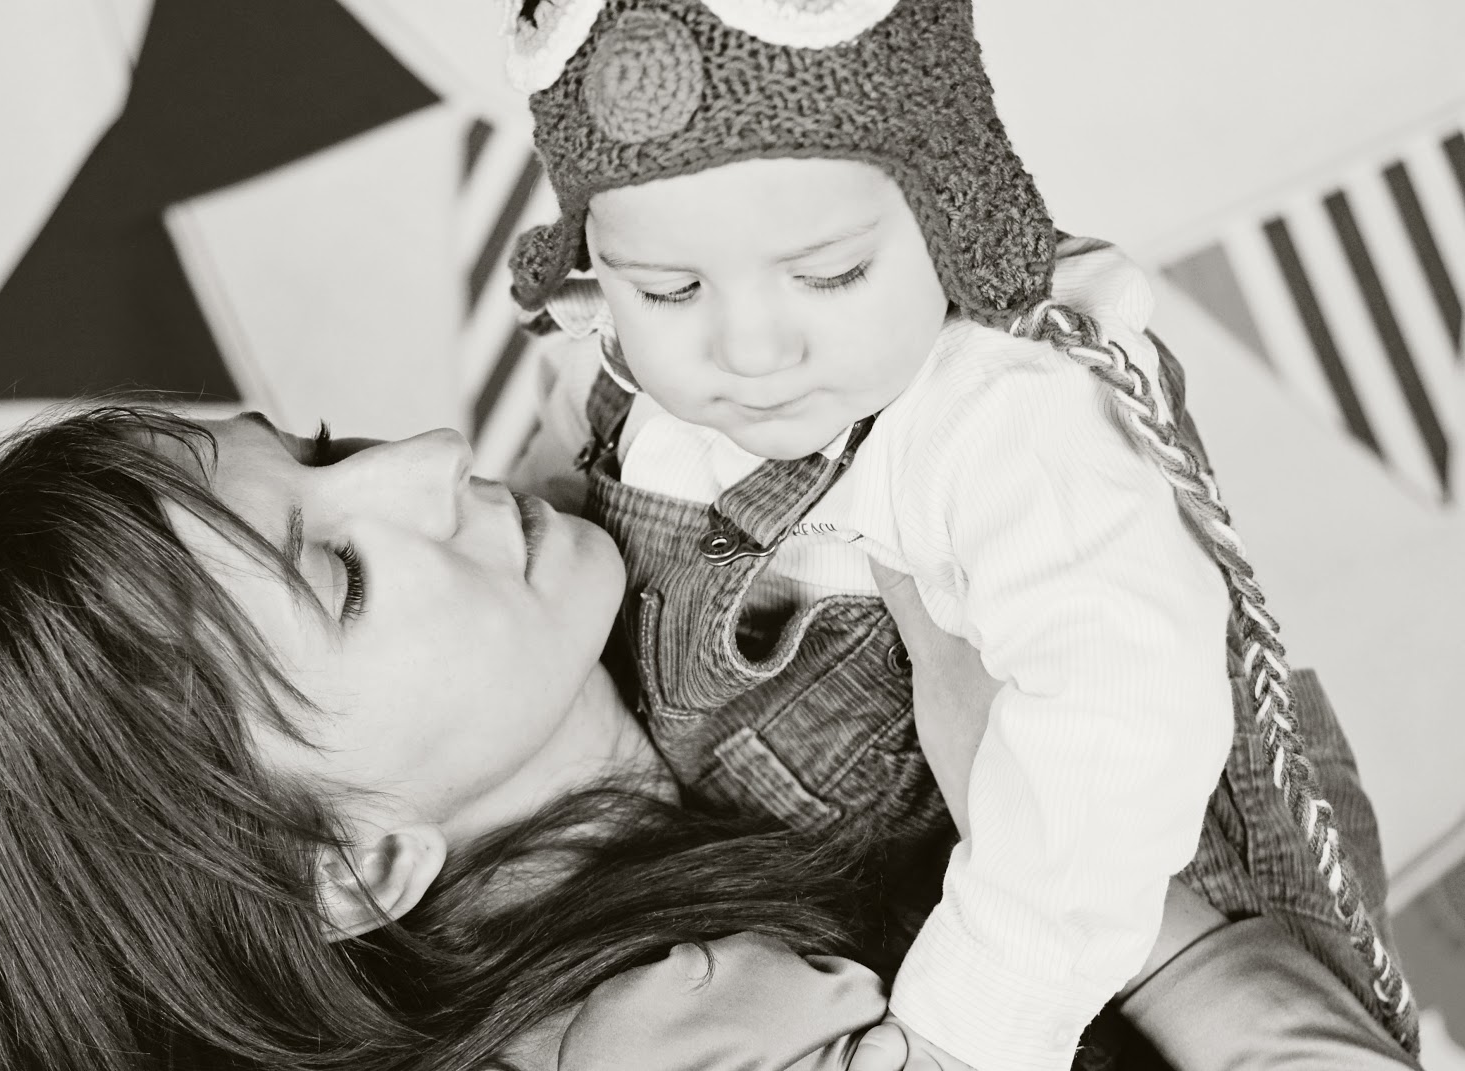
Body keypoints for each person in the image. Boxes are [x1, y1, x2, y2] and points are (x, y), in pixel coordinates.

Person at [0, 405, 1418, 1071]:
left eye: (324, 445)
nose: (425, 456)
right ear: (352, 859)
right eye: (338, 572)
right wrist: (1076, 845)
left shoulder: (688, 606)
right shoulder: (661, 1038)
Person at [501, 1, 1417, 1065]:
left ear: (952, 212)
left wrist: (967, 1029)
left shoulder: (995, 413)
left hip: (1140, 889)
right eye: (668, 290)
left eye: (829, 274)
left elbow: (1118, 705)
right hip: (912, 902)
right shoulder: (619, 380)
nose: (748, 347)